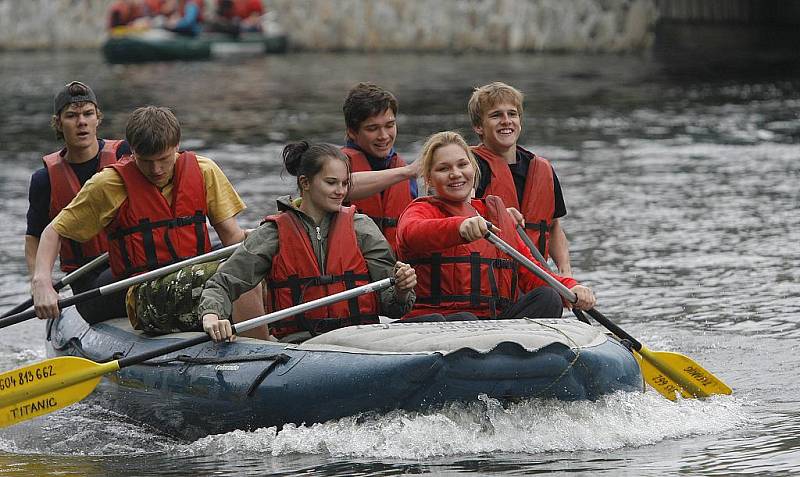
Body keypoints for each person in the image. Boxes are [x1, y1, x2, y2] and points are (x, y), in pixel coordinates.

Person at [31, 106, 265, 338]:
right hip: (141, 293)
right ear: (132, 151)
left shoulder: (204, 170)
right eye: (145, 161)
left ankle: (280, 332)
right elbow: (54, 231)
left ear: (177, 146)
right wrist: (41, 281)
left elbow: (232, 238)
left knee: (254, 262)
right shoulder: (108, 184)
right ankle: (259, 349)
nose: (156, 169)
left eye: (163, 159)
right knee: (238, 274)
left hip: (193, 274)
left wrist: (261, 241)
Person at [199, 141, 417, 343]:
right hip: (300, 346)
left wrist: (401, 290)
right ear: (305, 182)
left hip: (360, 341)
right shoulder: (273, 233)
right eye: (331, 183)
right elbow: (222, 284)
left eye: (344, 183)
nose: (340, 191)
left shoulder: (362, 228)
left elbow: (394, 308)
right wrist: (212, 315)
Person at [396, 131, 595, 321]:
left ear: (472, 169)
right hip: (441, 322)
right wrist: (460, 227)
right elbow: (412, 233)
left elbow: (530, 271)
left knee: (548, 297)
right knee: (465, 318)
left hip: (493, 322)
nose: (455, 174)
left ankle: (512, 351)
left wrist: (570, 288)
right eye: (443, 168)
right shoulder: (419, 211)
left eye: (462, 165)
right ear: (429, 178)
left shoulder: (496, 215)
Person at [25, 81, 128, 318]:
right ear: (59, 123)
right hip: (88, 279)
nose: (81, 122)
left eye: (88, 114)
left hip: (130, 260)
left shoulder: (125, 155)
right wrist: (39, 284)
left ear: (97, 119)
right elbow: (34, 238)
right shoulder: (45, 180)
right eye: (71, 115)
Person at [468, 82, 573, 277]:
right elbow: (460, 214)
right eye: (496, 115)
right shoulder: (469, 167)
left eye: (512, 114)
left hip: (535, 276)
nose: (506, 121)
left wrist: (565, 273)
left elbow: (553, 226)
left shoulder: (543, 169)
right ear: (478, 126)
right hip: (490, 277)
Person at [341, 82, 419, 254]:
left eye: (389, 125)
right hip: (353, 270)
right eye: (372, 128)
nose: (383, 136)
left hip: (399, 270)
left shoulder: (405, 171)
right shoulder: (332, 167)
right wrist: (407, 172)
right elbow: (342, 186)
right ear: (352, 132)